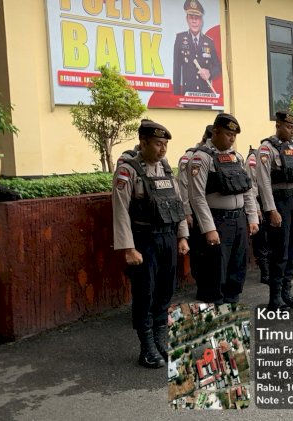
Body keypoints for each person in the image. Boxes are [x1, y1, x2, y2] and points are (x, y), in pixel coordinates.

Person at [112, 119, 189, 368]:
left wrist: (182, 236)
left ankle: (160, 340)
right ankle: (146, 347)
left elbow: (177, 204)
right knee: (145, 293)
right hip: (143, 240)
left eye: (165, 144)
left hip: (167, 238)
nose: (163, 149)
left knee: (165, 291)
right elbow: (120, 212)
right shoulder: (128, 171)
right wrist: (128, 248)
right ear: (143, 142)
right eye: (157, 143)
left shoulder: (165, 169)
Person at [187, 114, 258, 304]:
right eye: (228, 134)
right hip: (217, 220)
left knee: (237, 268)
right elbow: (197, 197)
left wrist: (252, 217)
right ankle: (215, 312)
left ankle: (232, 309)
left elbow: (246, 189)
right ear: (216, 132)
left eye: (234, 135)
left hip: (239, 220)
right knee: (215, 273)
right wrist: (209, 228)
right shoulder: (201, 158)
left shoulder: (236, 157)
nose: (232, 139)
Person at [256, 111, 293, 311]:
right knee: (280, 251)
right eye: (288, 127)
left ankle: (287, 292)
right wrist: (271, 210)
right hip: (279, 203)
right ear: (278, 125)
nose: (292, 131)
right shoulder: (266, 148)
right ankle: (275, 298)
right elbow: (263, 182)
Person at [176, 125, 212, 284]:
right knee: (199, 249)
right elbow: (183, 186)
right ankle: (201, 283)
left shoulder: (214, 156)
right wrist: (187, 212)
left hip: (211, 211)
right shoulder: (190, 157)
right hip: (194, 211)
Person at [172, 0, 222, 96]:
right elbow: (176, 69)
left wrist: (210, 73)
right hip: (187, 95)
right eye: (191, 17)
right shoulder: (180, 39)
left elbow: (218, 68)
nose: (194, 21)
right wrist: (177, 97)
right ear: (187, 19)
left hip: (205, 95)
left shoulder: (209, 42)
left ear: (201, 20)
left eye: (197, 18)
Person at [246, 145, 270, 285]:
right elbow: (252, 186)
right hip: (259, 205)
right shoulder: (253, 158)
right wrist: (256, 208)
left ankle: (270, 271)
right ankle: (265, 273)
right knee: (261, 241)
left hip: (269, 204)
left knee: (270, 241)